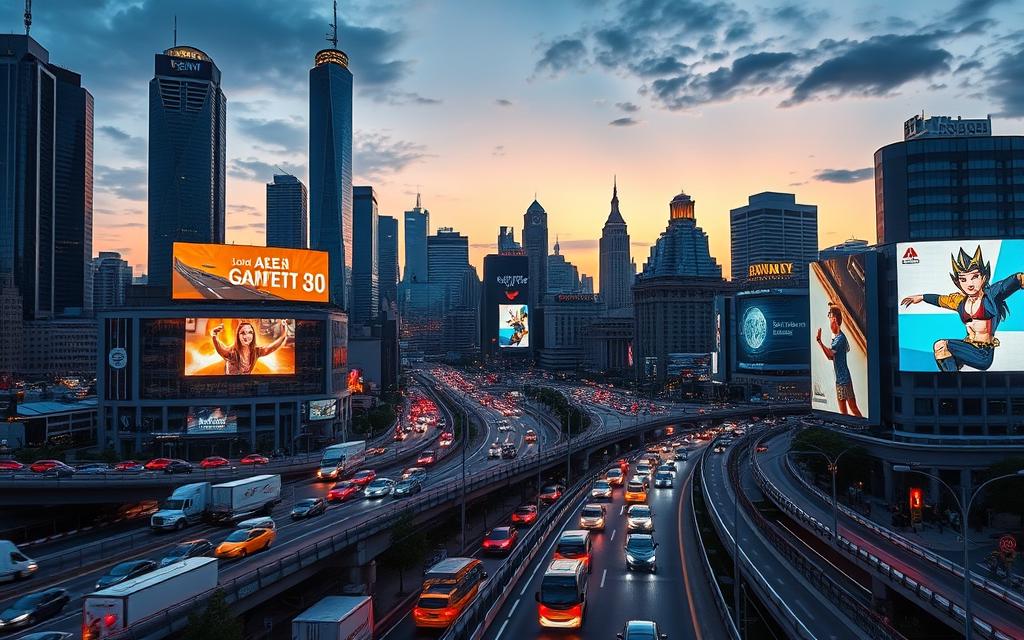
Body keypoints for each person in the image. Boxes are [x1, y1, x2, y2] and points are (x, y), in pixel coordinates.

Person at [901, 245, 1024, 371]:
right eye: (963, 279)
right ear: (958, 282)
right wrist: (921, 297)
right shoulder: (959, 301)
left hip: (983, 354)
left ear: (983, 277)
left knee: (941, 345)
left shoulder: (991, 295)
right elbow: (940, 300)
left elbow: (1015, 280)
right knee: (943, 353)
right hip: (968, 347)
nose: (969, 284)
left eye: (974, 277)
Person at [815, 304, 863, 417]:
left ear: (835, 319)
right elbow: (831, 357)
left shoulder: (840, 338)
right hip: (840, 380)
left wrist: (820, 342)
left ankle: (864, 424)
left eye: (830, 316)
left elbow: (830, 354)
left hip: (844, 380)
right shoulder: (837, 337)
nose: (829, 320)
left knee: (853, 408)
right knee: (843, 411)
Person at [211, 319, 289, 375]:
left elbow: (272, 347)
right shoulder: (231, 352)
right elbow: (220, 349)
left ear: (253, 335)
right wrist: (214, 335)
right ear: (238, 335)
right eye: (243, 333)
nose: (246, 336)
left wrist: (284, 333)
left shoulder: (256, 351)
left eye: (250, 332)